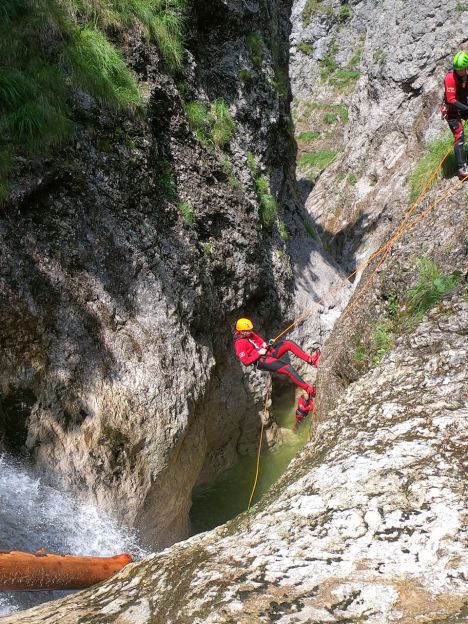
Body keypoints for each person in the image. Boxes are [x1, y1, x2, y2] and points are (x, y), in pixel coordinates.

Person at [233, 318, 320, 395]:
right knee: (288, 368)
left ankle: (311, 360)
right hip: (262, 361)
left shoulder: (249, 333)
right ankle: (308, 389)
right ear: (241, 331)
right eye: (248, 330)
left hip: (267, 352)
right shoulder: (239, 344)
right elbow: (246, 361)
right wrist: (259, 353)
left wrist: (264, 344)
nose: (250, 331)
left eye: (250, 330)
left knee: (288, 343)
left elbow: (257, 339)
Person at [443, 51, 468, 180]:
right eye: (457, 69)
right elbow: (451, 99)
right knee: (459, 134)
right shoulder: (450, 78)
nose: (459, 72)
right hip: (451, 109)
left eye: (462, 69)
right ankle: (462, 167)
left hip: (463, 101)